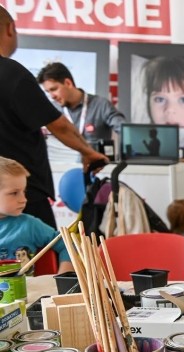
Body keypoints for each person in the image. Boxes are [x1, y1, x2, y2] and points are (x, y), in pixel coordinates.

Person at [0, 6, 109, 228]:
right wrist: (88, 152)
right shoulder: (11, 73)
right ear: (10, 29)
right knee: (43, 256)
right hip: (19, 194)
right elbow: (58, 125)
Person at [0, 157, 73, 274]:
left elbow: (68, 243)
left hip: (28, 291)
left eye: (24, 192)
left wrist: (66, 272)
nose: (23, 199)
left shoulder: (30, 225)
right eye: (14, 193)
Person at [37, 62, 125, 149]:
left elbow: (124, 130)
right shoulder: (52, 109)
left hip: (97, 162)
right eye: (48, 92)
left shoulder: (101, 104)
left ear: (68, 83)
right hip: (62, 162)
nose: (52, 96)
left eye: (54, 89)